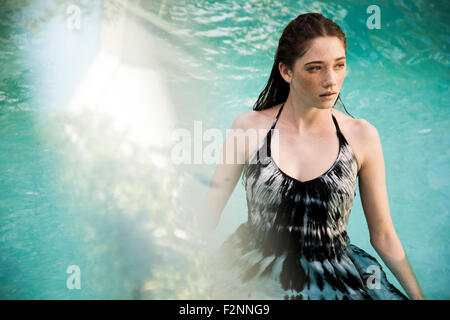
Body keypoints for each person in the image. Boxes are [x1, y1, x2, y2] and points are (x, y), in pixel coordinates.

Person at [197, 12, 426, 300]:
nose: (331, 80)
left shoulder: (362, 136)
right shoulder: (249, 128)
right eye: (315, 68)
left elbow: (382, 235)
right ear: (287, 71)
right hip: (250, 272)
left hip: (335, 275)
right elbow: (208, 215)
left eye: (339, 65)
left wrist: (420, 298)